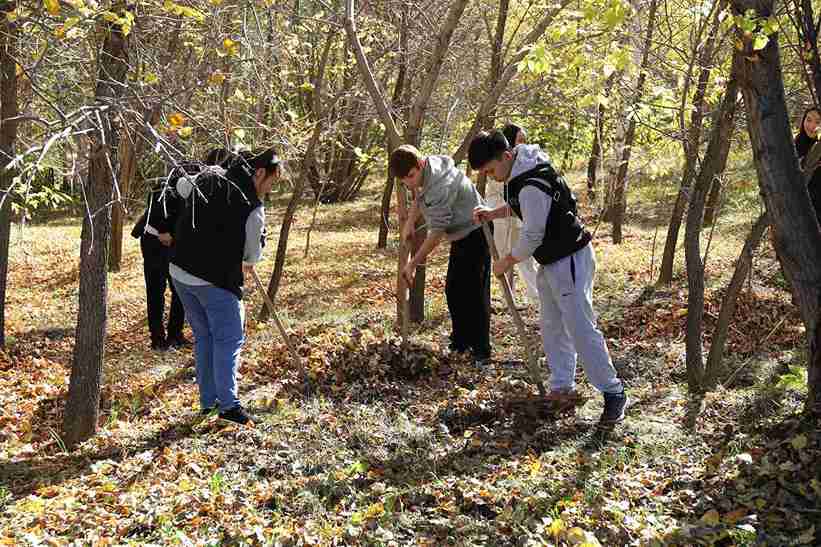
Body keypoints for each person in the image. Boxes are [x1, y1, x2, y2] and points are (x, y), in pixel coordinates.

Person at [468, 130, 628, 426]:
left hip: (569, 259)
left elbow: (532, 234)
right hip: (551, 260)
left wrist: (507, 261)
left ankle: (613, 392)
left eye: (490, 170)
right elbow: (522, 208)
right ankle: (562, 387)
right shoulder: (520, 172)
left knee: (580, 327)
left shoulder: (529, 181)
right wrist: (492, 214)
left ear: (505, 156)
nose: (490, 177)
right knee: (552, 326)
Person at [170, 148, 278, 425]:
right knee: (228, 340)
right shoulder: (253, 208)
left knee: (205, 337)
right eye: (271, 182)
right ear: (260, 173)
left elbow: (181, 186)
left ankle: (208, 403)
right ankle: (228, 407)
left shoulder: (211, 176)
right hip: (214, 280)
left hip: (180, 272)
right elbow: (251, 257)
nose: (269, 189)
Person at [389, 144, 491, 365]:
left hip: (476, 232)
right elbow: (419, 195)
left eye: (410, 176)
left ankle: (481, 352)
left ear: (421, 164)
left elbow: (436, 233)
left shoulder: (439, 186)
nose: (409, 182)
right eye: (404, 180)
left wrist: (413, 264)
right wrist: (409, 222)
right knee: (454, 290)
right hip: (462, 234)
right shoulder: (427, 169)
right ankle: (460, 343)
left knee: (474, 293)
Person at [131, 162, 193, 350]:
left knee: (180, 290)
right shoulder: (163, 188)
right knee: (156, 290)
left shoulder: (191, 188)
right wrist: (167, 233)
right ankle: (157, 338)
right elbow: (161, 216)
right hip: (153, 242)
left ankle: (175, 334)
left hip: (171, 242)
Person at [483, 123, 540, 305]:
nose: (523, 144)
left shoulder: (527, 167)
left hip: (518, 220)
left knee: (525, 257)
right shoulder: (499, 167)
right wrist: (492, 213)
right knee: (502, 254)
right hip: (500, 216)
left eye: (525, 140)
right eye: (519, 140)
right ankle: (509, 297)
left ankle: (537, 294)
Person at [794, 107, 821, 222]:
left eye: (818, 122)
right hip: (803, 205)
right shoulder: (796, 144)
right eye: (808, 120)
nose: (812, 126)